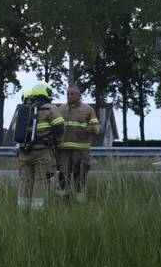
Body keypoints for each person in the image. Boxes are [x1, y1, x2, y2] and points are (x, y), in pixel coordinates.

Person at [9, 81, 64, 211]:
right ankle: (37, 213)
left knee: (25, 182)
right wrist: (56, 142)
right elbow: (60, 127)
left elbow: (14, 131)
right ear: (47, 94)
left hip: (24, 153)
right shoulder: (50, 109)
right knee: (40, 182)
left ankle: (22, 211)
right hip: (41, 153)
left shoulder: (24, 111)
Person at [54, 85, 100, 202]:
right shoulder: (60, 109)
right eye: (67, 94)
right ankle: (62, 202)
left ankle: (80, 203)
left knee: (80, 176)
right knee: (63, 177)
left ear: (79, 96)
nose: (69, 96)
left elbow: (97, 127)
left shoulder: (88, 109)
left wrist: (92, 128)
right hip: (63, 150)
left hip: (81, 151)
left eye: (72, 94)